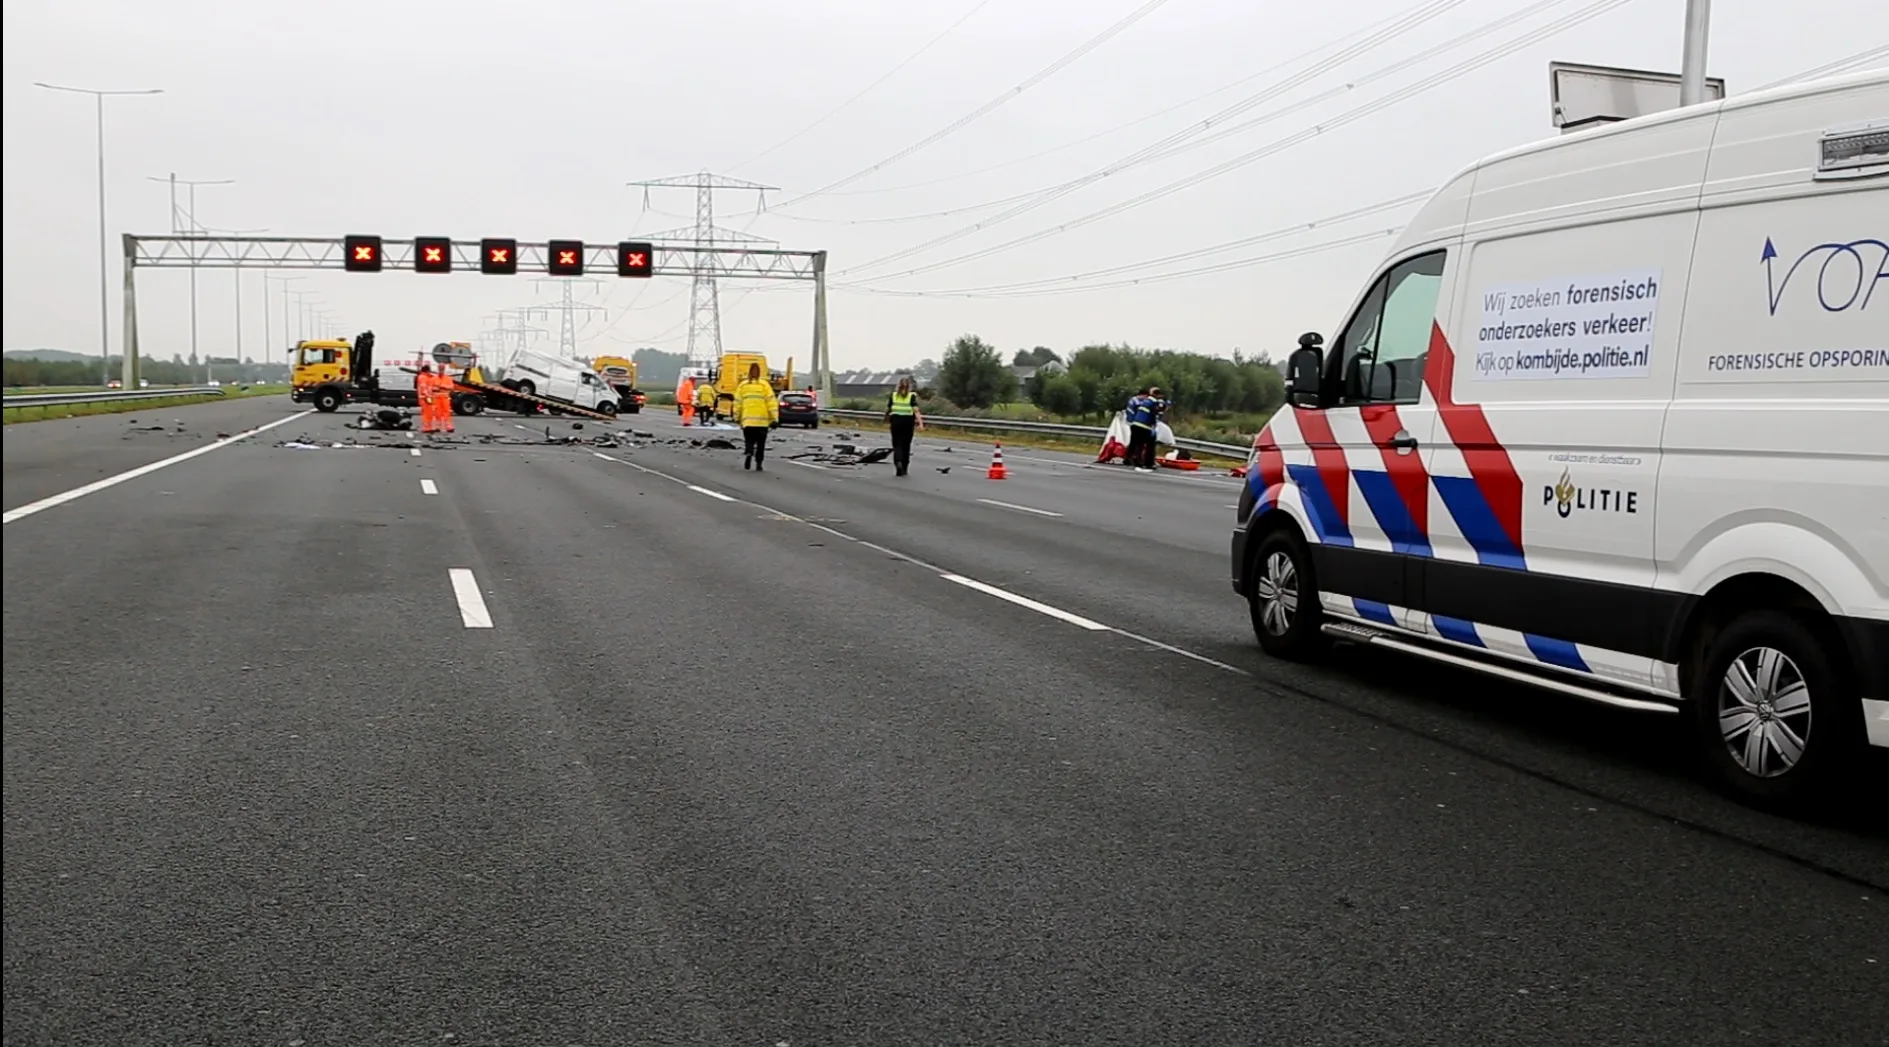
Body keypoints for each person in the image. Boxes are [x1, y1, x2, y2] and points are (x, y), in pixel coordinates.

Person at [734, 362, 779, 471]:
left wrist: (737, 417)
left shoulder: (743, 386)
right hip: (762, 421)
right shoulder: (764, 385)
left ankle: (749, 452)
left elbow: (737, 403)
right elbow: (771, 403)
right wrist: (775, 419)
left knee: (749, 440)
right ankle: (759, 463)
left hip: (748, 420)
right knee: (761, 443)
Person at [884, 376, 924, 476]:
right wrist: (920, 423)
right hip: (908, 422)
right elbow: (916, 411)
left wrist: (887, 420)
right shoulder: (911, 396)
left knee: (897, 444)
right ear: (909, 386)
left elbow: (889, 409)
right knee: (906, 445)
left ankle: (898, 462)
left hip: (896, 421)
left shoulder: (893, 395)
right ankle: (905, 467)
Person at [1124, 387, 1156, 472]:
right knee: (1137, 443)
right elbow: (1131, 412)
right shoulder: (1135, 401)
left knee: (1134, 442)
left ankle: (1129, 458)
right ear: (1143, 395)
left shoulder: (1137, 401)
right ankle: (1133, 459)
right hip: (1137, 423)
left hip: (1135, 423)